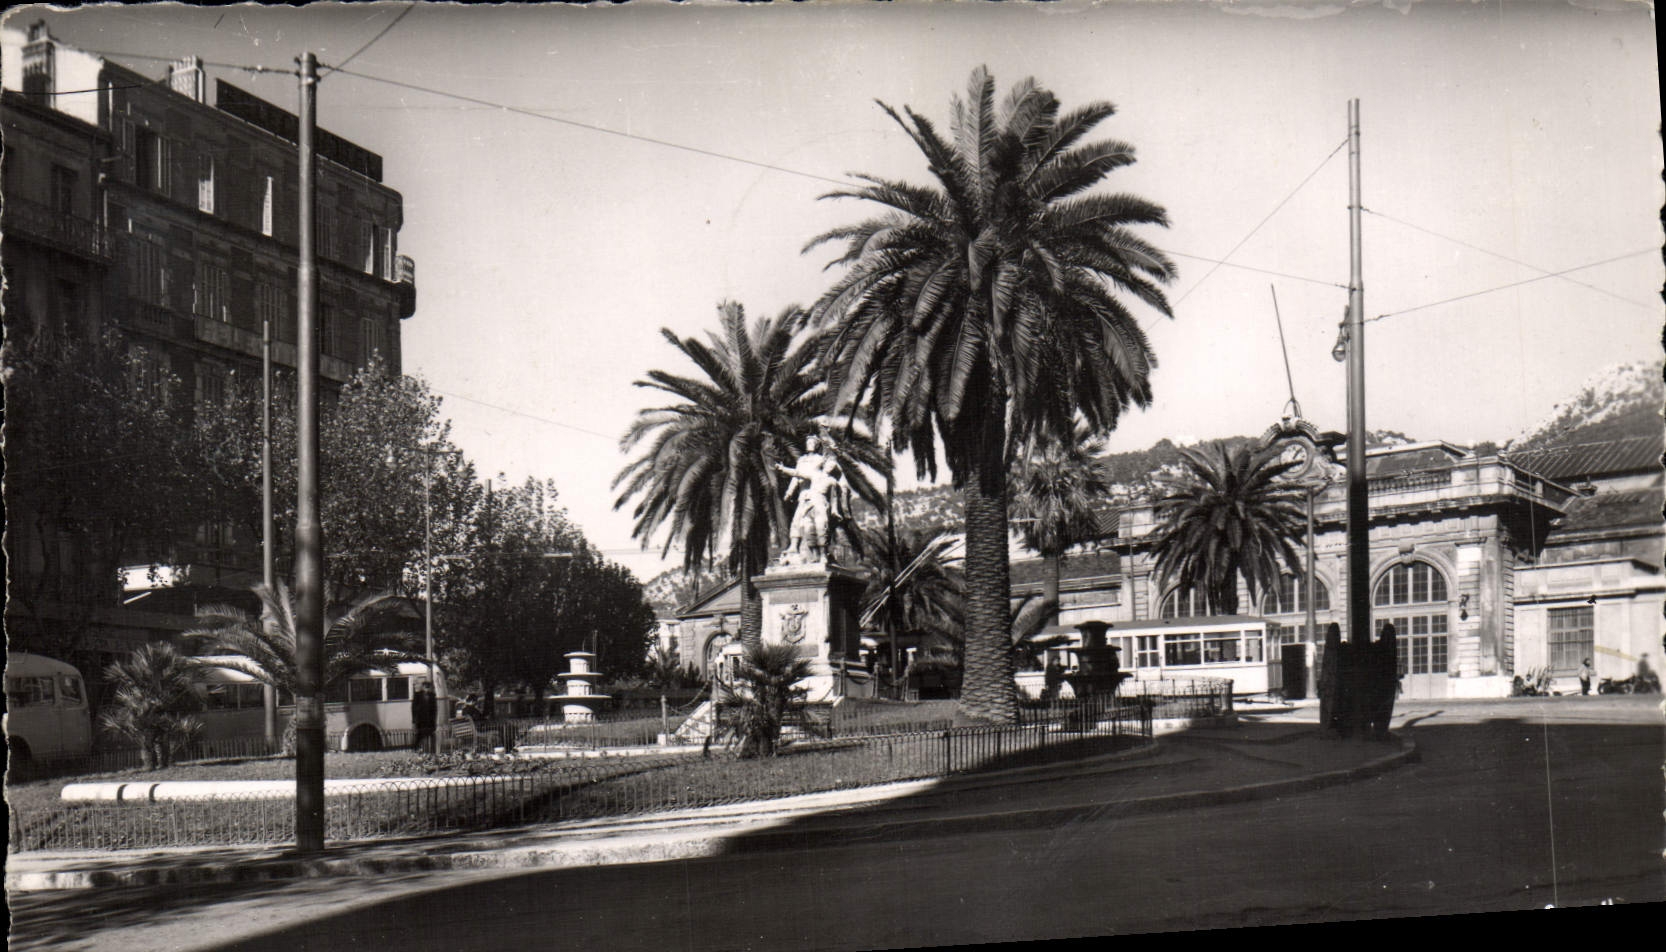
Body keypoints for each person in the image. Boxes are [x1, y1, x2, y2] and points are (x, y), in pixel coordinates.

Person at [775, 435, 849, 564]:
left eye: (813, 442)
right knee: (798, 520)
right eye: (808, 442)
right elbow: (797, 475)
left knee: (819, 525)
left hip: (817, 496)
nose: (810, 444)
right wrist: (789, 491)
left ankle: (820, 553)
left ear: (817, 445)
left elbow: (833, 496)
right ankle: (794, 547)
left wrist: (836, 510)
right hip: (805, 495)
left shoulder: (821, 460)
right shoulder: (802, 460)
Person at [411, 681, 438, 753]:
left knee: (431, 735)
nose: (427, 689)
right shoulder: (417, 695)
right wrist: (414, 720)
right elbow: (414, 709)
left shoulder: (432, 696)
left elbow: (435, 709)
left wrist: (434, 720)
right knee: (419, 735)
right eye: (426, 687)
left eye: (428, 687)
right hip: (420, 720)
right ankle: (416, 749)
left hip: (430, 720)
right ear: (423, 687)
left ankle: (432, 750)